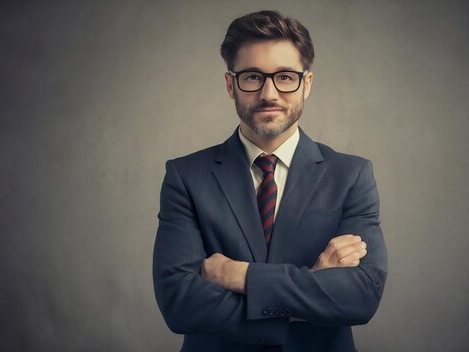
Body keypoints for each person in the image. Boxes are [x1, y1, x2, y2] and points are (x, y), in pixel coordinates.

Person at [153, 10, 387, 352]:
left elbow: (360, 297)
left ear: (306, 83)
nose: (269, 93)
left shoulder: (351, 175)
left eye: (285, 77)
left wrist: (239, 275)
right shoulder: (186, 176)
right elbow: (180, 304)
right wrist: (310, 289)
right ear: (230, 85)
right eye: (252, 77)